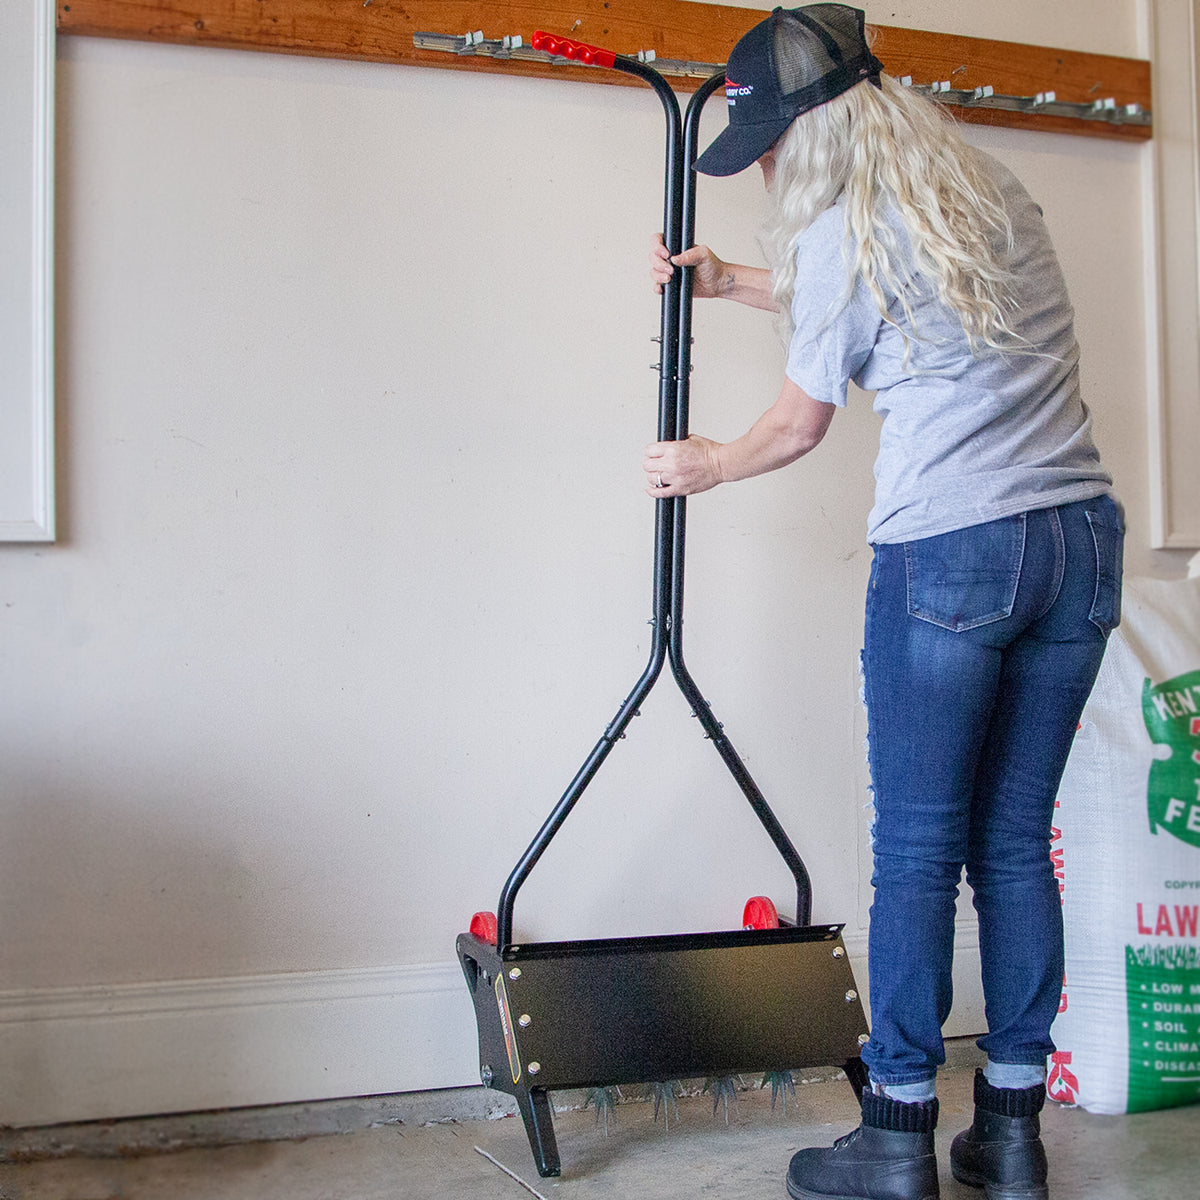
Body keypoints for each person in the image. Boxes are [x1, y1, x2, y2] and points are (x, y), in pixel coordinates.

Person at [645, 7, 1124, 1200]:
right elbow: (898, 308)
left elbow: (803, 419)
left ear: (812, 132)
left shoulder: (851, 232)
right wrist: (739, 283)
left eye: (766, 143)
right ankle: (1009, 1137)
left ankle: (897, 1135)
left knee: (917, 850)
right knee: (1013, 844)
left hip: (955, 554)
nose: (762, 163)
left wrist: (708, 463)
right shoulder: (986, 190)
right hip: (1079, 544)